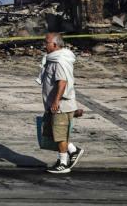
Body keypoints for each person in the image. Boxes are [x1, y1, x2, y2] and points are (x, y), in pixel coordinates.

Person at [37, 32, 83, 173]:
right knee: (53, 133)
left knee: (60, 136)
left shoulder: (60, 61)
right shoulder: (52, 59)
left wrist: (56, 101)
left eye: (47, 42)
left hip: (60, 105)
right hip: (55, 104)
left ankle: (63, 163)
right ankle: (73, 150)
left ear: (55, 45)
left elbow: (62, 82)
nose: (44, 45)